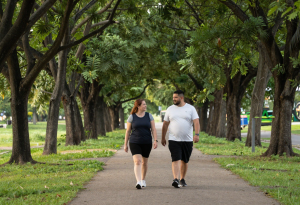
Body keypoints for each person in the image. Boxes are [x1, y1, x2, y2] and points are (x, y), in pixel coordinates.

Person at [161, 90, 200, 188]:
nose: (173, 99)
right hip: (174, 139)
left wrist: (197, 134)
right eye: (173, 97)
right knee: (176, 158)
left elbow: (196, 122)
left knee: (185, 160)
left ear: (181, 98)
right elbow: (165, 124)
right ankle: (176, 179)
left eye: (175, 97)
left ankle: (182, 179)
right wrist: (163, 137)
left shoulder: (191, 108)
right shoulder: (170, 109)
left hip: (187, 140)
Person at [124, 99, 158, 189]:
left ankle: (143, 179)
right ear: (138, 106)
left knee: (144, 162)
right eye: (143, 104)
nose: (145, 106)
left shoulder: (149, 116)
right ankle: (138, 182)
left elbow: (153, 129)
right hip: (135, 142)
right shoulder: (132, 117)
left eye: (145, 104)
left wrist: (155, 140)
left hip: (147, 142)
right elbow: (127, 131)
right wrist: (125, 144)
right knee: (137, 161)